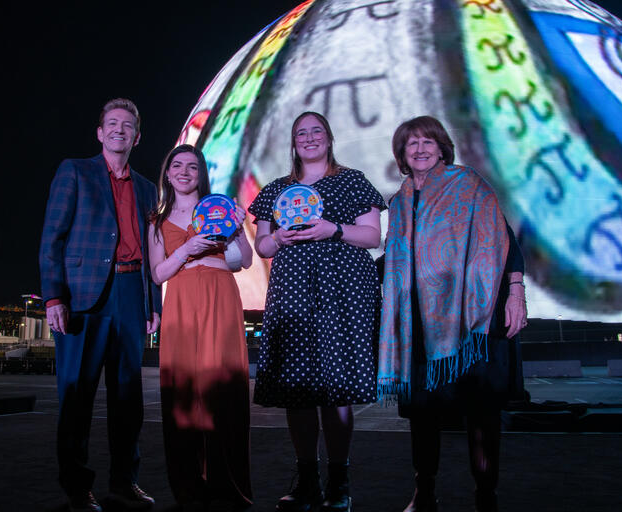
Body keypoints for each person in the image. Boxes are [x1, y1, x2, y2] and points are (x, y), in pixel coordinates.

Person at [378, 116, 527, 512]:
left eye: (429, 141)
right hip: (419, 326)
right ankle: (424, 491)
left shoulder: (470, 186)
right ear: (402, 156)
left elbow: (504, 239)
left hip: (473, 321)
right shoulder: (399, 202)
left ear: (443, 148)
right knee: (423, 415)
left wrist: (516, 292)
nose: (421, 148)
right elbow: (393, 262)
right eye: (412, 144)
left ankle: (485, 495)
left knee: (480, 411)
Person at [248, 111, 385, 512]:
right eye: (301, 133)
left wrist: (333, 229)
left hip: (342, 294)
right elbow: (263, 247)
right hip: (294, 294)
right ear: (294, 142)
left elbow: (373, 236)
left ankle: (339, 483)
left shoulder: (352, 181)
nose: (309, 138)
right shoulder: (277, 190)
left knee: (336, 388)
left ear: (329, 138)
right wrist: (278, 236)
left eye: (316, 132)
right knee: (298, 390)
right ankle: (307, 480)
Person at [39, 98, 160, 512]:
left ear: (137, 137)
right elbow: (52, 238)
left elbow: (153, 249)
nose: (119, 130)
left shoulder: (147, 188)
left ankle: (124, 483)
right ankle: (77, 488)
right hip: (83, 298)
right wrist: (54, 296)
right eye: (112, 124)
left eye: (127, 126)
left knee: (128, 399)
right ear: (99, 132)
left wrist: (152, 303)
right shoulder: (74, 171)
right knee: (77, 397)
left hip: (130, 295)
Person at [148, 144, 254, 512]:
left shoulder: (219, 209)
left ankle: (228, 488)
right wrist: (188, 248)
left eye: (192, 167)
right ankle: (189, 489)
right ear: (167, 172)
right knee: (183, 393)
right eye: (177, 165)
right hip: (180, 301)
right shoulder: (157, 220)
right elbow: (158, 273)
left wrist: (238, 229)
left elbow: (244, 262)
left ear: (201, 173)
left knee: (222, 390)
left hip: (220, 296)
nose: (184, 172)